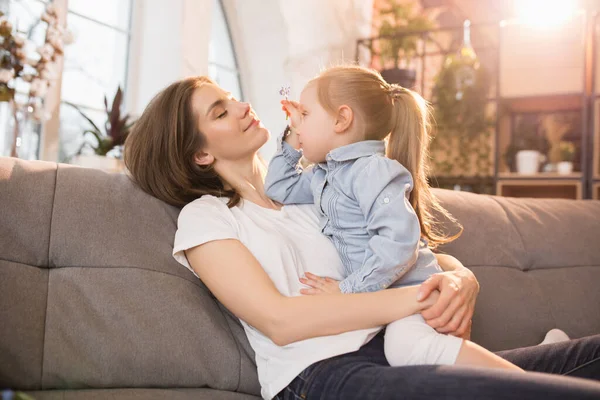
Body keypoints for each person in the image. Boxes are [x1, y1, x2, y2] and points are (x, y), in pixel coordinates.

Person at [123, 75, 600, 399]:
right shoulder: (206, 219)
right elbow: (281, 320)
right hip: (329, 373)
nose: (244, 107)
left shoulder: (319, 187)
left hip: (406, 344)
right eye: (220, 112)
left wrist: (460, 280)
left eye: (234, 98)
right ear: (201, 154)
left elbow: (404, 252)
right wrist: (417, 300)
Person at [263, 65, 518, 371]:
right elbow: (278, 187)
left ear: (342, 119)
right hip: (383, 302)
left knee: (403, 348)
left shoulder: (373, 171)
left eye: (304, 115)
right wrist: (293, 133)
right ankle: (541, 357)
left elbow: (398, 245)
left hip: (415, 292)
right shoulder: (321, 176)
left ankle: (522, 382)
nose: (297, 124)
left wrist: (346, 292)